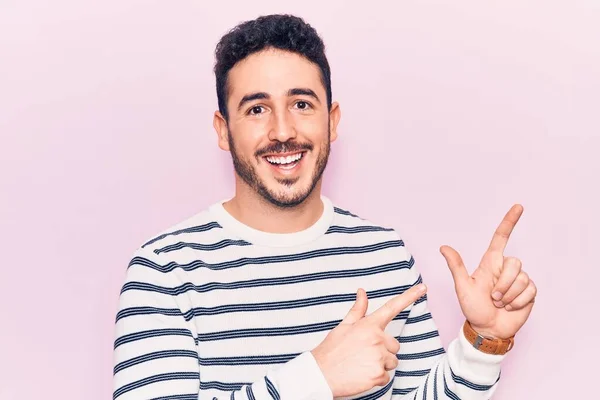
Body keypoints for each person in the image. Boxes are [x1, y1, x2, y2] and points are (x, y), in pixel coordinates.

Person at [112, 14, 537, 400]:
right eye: (257, 108)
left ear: (332, 121)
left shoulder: (385, 254)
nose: (283, 131)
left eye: (302, 104)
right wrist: (316, 377)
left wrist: (482, 344)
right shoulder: (163, 270)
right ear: (223, 130)